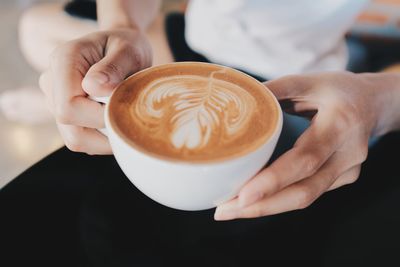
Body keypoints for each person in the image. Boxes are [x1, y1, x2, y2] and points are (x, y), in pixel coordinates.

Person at [1, 1, 400, 266]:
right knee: (35, 26)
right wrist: (121, 26)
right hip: (194, 47)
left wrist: (381, 102)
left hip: (306, 79)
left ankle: (79, 103)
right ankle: (79, 100)